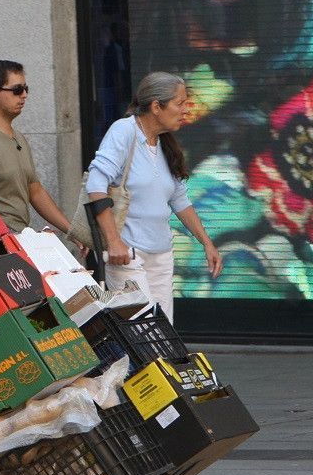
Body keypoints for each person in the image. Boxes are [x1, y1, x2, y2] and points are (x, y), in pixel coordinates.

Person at [85, 71, 223, 322]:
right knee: (138, 333)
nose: (186, 110)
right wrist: (114, 242)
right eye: (180, 103)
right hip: (128, 254)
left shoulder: (164, 144)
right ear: (156, 106)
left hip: (162, 256)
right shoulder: (124, 131)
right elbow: (96, 184)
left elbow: (180, 200)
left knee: (161, 335)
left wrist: (206, 243)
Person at [0, 60, 74, 235]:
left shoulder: (18, 137)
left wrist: (71, 231)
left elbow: (34, 190)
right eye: (17, 90)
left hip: (20, 239)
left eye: (26, 89)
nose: (24, 95)